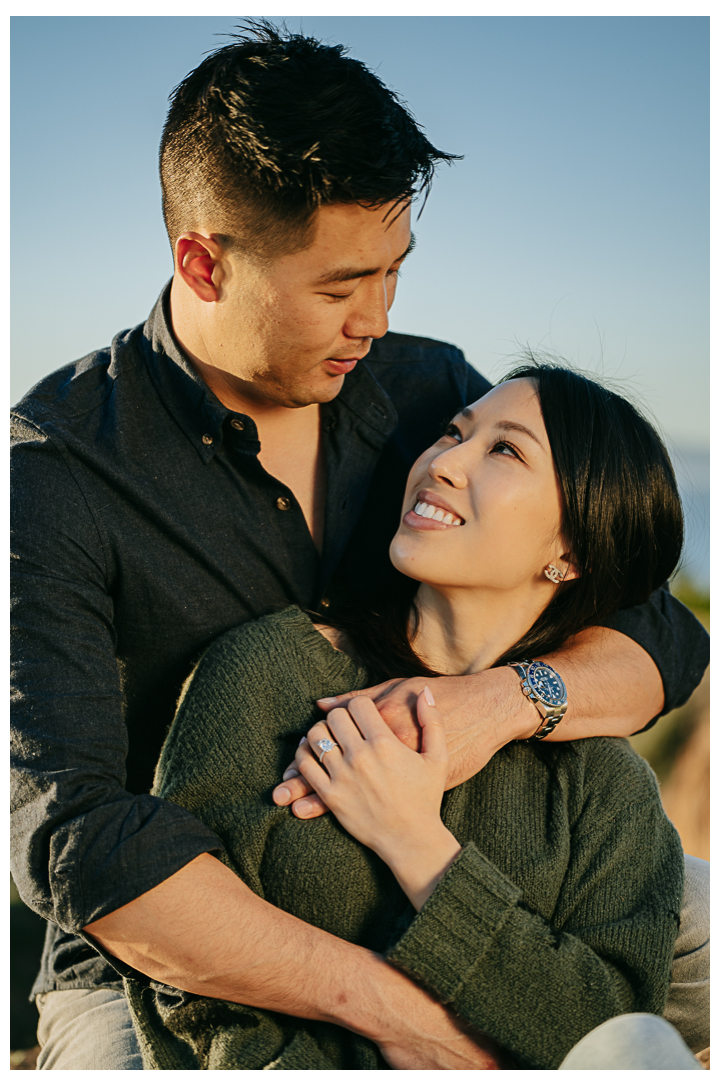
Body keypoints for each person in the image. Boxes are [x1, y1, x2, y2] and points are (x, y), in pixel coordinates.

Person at [10, 22, 708, 1071]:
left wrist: (499, 704)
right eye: (340, 288)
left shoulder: (428, 392)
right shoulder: (56, 472)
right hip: (185, 948)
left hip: (479, 849)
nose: (376, 318)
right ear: (202, 263)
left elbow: (646, 606)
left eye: (393, 271)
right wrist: (404, 1021)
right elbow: (78, 842)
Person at [123, 366, 694, 1069]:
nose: (443, 462)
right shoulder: (269, 672)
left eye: (505, 450)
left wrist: (417, 846)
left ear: (569, 552)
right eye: (453, 433)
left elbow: (611, 1034)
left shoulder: (603, 785)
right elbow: (191, 993)